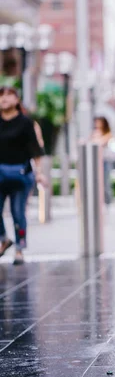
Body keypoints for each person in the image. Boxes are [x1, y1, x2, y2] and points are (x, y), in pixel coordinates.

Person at [0, 87, 46, 265]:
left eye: (8, 95)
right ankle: (4, 239)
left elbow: (35, 149)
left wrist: (39, 173)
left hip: (21, 174)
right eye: (1, 95)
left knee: (18, 212)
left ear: (16, 100)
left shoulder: (25, 123)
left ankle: (19, 248)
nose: (4, 99)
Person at [91, 116, 113, 204]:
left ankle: (107, 202)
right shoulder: (94, 133)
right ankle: (98, 202)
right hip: (95, 162)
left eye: (99, 122)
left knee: (106, 182)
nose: (97, 124)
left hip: (105, 161)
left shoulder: (107, 134)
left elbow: (100, 143)